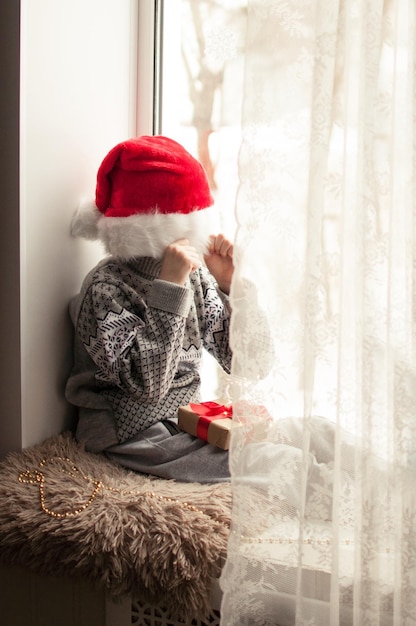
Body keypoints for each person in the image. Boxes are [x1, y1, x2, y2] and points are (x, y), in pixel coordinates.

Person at [65, 135, 234, 483]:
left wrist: (231, 287)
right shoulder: (105, 289)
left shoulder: (196, 276)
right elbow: (147, 386)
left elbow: (244, 361)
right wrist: (170, 288)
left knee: (309, 437)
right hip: (130, 433)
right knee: (264, 466)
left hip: (186, 421)